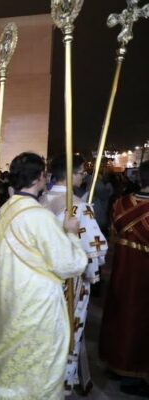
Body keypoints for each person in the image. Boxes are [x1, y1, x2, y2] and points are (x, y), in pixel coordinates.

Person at [0, 152, 87, 400]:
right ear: (40, 177)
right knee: (37, 361)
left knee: (7, 355)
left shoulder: (6, 209)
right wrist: (71, 234)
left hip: (8, 295)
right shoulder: (39, 216)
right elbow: (70, 264)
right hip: (36, 302)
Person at [40, 154, 107, 394]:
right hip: (71, 280)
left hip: (42, 278)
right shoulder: (79, 206)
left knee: (45, 329)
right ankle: (61, 383)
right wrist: (94, 272)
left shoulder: (40, 200)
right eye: (80, 172)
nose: (83, 176)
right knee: (68, 329)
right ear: (70, 175)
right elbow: (96, 248)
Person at [99, 160, 149, 397]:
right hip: (143, 274)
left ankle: (114, 364)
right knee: (138, 321)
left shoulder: (120, 203)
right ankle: (132, 374)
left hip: (121, 269)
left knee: (118, 314)